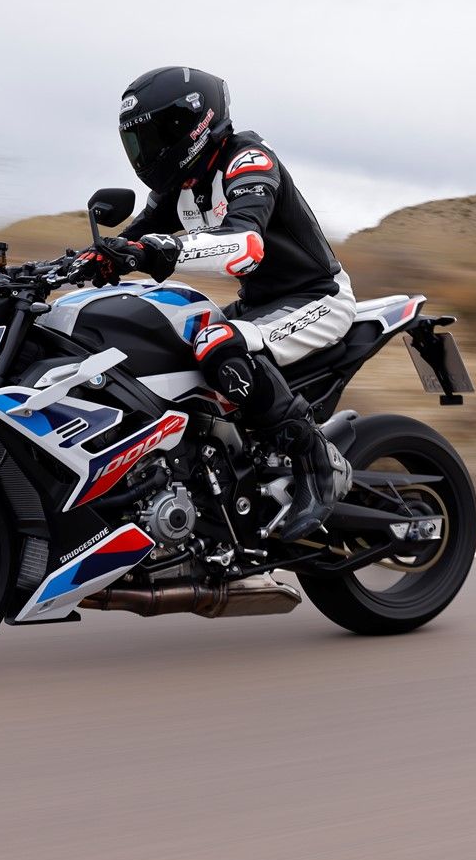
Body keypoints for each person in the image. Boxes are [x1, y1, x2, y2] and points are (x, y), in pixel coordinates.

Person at [79, 65, 354, 542]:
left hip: (318, 298)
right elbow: (133, 238)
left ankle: (317, 465)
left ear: (194, 123)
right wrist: (85, 262)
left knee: (215, 342)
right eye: (139, 141)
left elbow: (246, 243)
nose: (148, 150)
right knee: (168, 341)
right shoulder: (180, 186)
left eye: (157, 135)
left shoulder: (249, 161)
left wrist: (161, 251)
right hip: (261, 303)